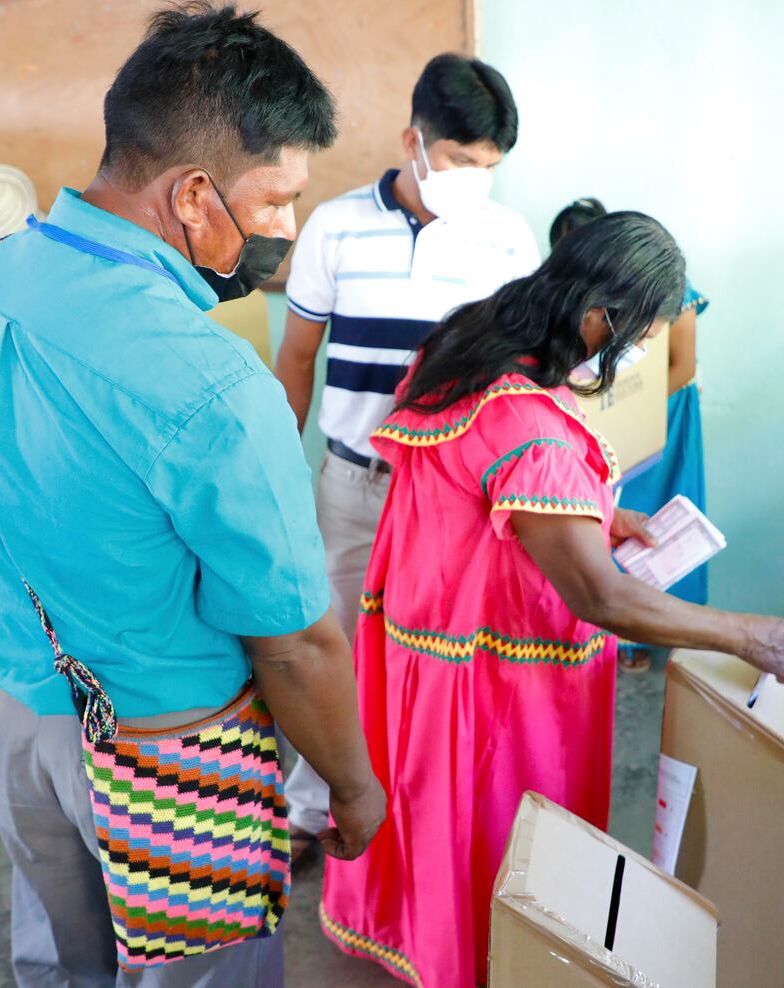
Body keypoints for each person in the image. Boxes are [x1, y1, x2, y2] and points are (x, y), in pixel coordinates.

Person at [0, 6, 384, 986]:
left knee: (57, 961)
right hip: (171, 756)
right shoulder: (213, 387)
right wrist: (349, 783)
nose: (287, 230)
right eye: (273, 202)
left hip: (10, 714)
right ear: (192, 196)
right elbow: (298, 643)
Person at [319, 212, 784, 988]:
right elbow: (597, 594)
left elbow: (474, 496)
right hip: (495, 682)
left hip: (423, 644)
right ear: (599, 319)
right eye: (643, 336)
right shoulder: (532, 425)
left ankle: (431, 946)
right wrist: (741, 634)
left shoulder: (467, 341)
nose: (646, 353)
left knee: (433, 822)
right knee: (499, 839)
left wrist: (595, 514)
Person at [273, 52, 541, 861]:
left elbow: (524, 381)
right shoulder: (333, 226)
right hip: (352, 485)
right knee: (331, 651)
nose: (472, 179)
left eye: (488, 167)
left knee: (443, 658)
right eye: (459, 161)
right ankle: (309, 811)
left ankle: (428, 813)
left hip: (453, 499)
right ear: (413, 141)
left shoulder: (507, 243)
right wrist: (280, 475)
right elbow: (295, 358)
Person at [551, 197, 711, 673]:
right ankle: (604, 626)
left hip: (661, 413)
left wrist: (627, 407)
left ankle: (651, 630)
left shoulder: (669, 292)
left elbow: (680, 366)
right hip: (601, 412)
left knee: (655, 524)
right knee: (603, 518)